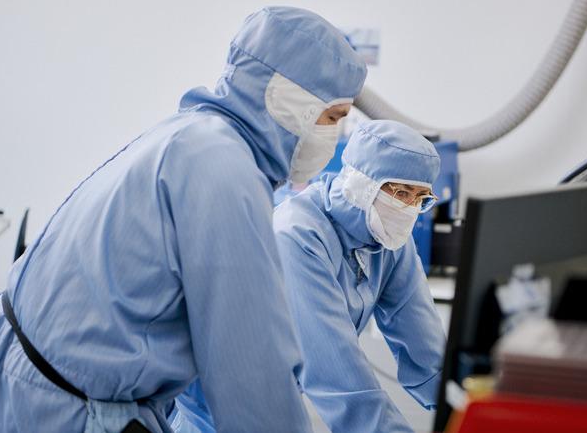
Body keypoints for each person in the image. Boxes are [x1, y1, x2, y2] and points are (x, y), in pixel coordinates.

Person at [0, 6, 366, 433]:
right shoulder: (225, 171)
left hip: (17, 375)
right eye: (332, 118)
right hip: (60, 410)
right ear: (290, 100)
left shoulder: (190, 136)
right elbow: (252, 371)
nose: (333, 137)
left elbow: (193, 338)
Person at [176, 120, 445, 432]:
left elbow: (426, 351)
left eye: (419, 198)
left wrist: (472, 407)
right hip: (219, 404)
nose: (408, 208)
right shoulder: (297, 234)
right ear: (363, 183)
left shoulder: (391, 238)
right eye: (400, 192)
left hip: (278, 396)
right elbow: (340, 379)